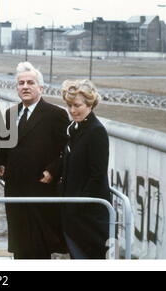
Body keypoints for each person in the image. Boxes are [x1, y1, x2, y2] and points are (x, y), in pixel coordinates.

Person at [0, 62, 69, 259]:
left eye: (30, 82)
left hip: (41, 188)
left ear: (41, 87)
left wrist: (53, 171)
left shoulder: (56, 115)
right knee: (20, 246)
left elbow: (68, 149)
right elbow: (4, 146)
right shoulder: (11, 114)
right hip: (15, 190)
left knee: (39, 247)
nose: (25, 86)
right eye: (21, 83)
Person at [60, 79, 111, 259]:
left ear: (90, 104)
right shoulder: (76, 128)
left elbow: (97, 175)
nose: (72, 110)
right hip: (75, 212)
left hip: (89, 216)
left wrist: (77, 205)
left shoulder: (96, 131)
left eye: (77, 105)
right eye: (69, 105)